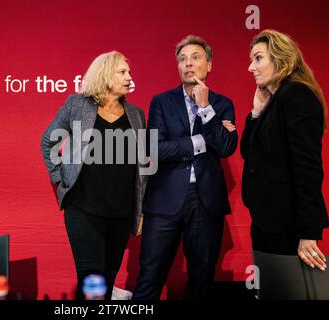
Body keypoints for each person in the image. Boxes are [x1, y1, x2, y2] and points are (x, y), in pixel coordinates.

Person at [132, 35, 238, 300]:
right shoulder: (161, 102)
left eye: (195, 57)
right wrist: (202, 140)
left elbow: (226, 147)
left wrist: (205, 109)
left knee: (202, 278)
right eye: (182, 59)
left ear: (209, 64)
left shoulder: (222, 104)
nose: (188, 63)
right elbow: (155, 150)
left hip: (206, 202)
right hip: (165, 199)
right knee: (150, 276)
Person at [41, 51, 147, 300]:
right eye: (122, 72)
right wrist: (59, 180)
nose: (129, 77)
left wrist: (140, 209)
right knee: (92, 281)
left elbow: (143, 166)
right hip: (83, 210)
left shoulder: (136, 114)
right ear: (105, 75)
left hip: (121, 213)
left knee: (108, 280)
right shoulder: (77, 104)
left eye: (129, 72)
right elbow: (49, 141)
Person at [241, 29, 328, 271]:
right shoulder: (275, 100)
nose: (251, 67)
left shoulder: (297, 95)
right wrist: (256, 113)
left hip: (287, 227)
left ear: (282, 60)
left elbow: (308, 169)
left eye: (258, 58)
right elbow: (248, 152)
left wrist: (308, 233)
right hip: (267, 221)